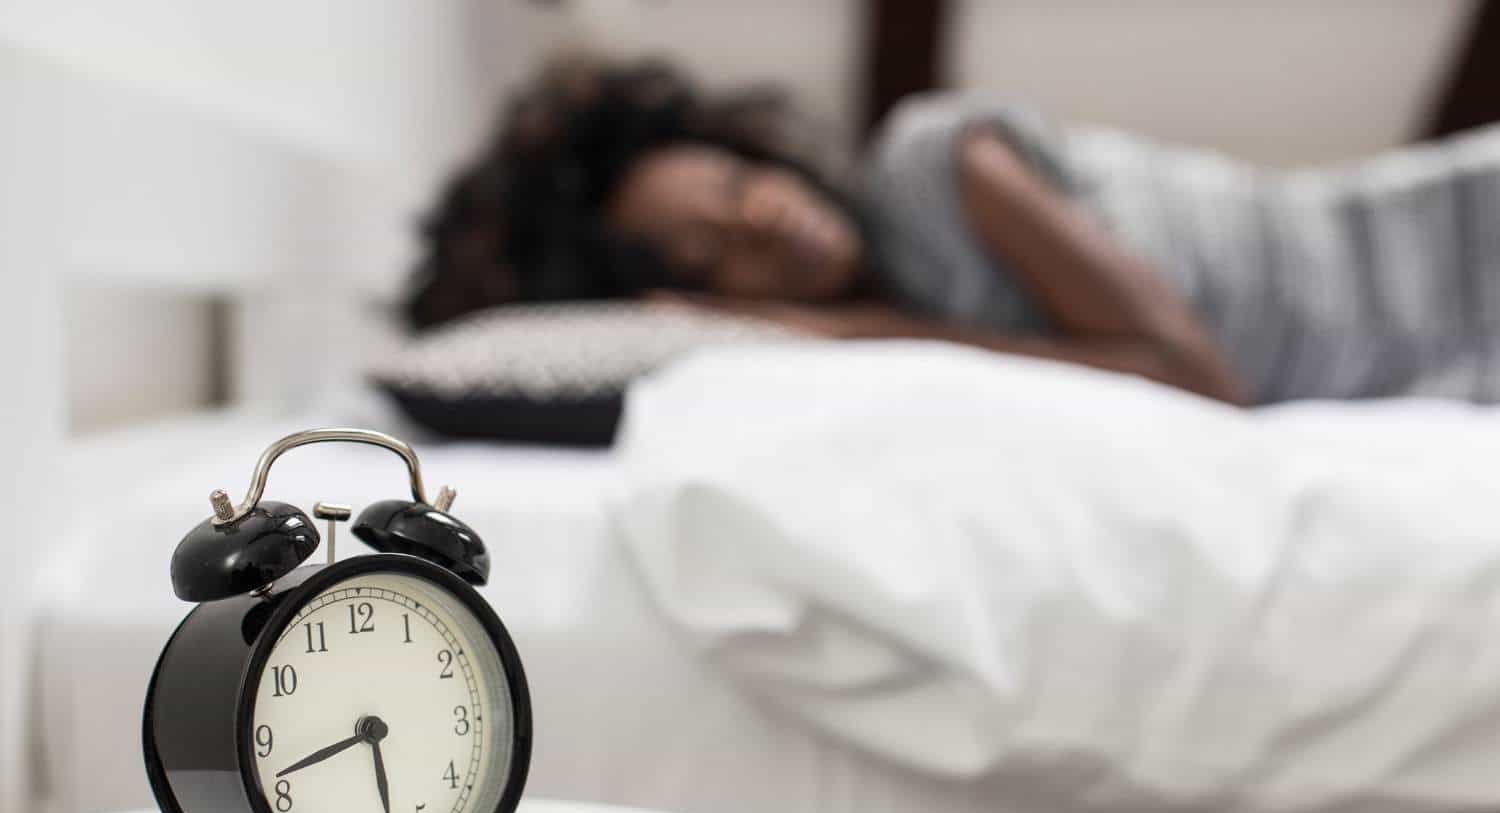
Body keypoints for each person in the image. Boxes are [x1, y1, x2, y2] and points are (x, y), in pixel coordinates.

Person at [402, 53, 1500, 406]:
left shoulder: (936, 164)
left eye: (739, 184)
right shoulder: (900, 344)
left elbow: (1190, 374)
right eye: (714, 254)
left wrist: (857, 331)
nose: (768, 222)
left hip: (1453, 248)